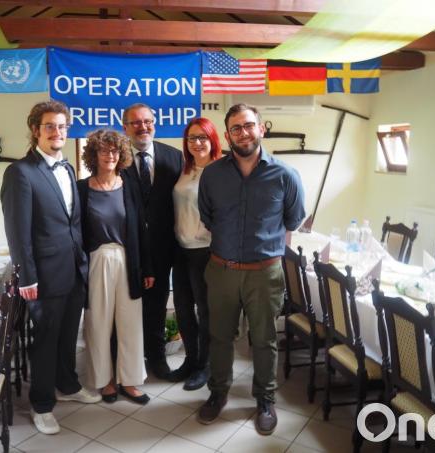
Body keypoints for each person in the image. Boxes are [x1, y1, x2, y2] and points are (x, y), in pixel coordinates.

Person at [196, 104, 306, 436]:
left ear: (261, 128)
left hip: (265, 273)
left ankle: (265, 401)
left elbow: (294, 219)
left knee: (264, 339)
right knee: (220, 338)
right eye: (235, 129)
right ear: (227, 135)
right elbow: (208, 217)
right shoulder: (213, 174)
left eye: (248, 126)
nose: (243, 133)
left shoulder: (286, 175)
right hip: (222, 271)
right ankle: (218, 393)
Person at [0, 100, 101, 435]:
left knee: (68, 335)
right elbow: (18, 230)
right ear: (35, 130)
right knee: (45, 340)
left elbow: (72, 223)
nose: (57, 132)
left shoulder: (68, 168)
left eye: (62, 126)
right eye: (49, 126)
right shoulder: (20, 172)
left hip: (73, 268)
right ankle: (42, 404)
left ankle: (67, 385)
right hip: (42, 275)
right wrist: (27, 276)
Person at [77, 129, 155, 405]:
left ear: (121, 154)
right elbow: (76, 234)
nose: (109, 155)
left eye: (114, 151)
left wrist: (147, 268)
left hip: (127, 260)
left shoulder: (130, 186)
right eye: (103, 150)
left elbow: (141, 230)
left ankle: (131, 381)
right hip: (97, 262)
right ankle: (105, 381)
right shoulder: (82, 189)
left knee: (130, 324)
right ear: (93, 155)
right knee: (97, 325)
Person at [121, 103, 184, 380]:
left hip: (163, 248)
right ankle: (127, 359)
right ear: (125, 127)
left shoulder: (175, 157)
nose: (142, 127)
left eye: (147, 121)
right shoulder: (117, 158)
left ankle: (156, 358)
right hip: (126, 248)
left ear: (154, 123)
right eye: (135, 122)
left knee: (157, 305)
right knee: (126, 305)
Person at [169, 117, 222, 390]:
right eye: (192, 138)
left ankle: (205, 366)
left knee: (205, 312)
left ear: (212, 139)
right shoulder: (184, 169)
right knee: (183, 310)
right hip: (181, 251)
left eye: (203, 137)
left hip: (206, 252)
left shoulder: (222, 170)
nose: (197, 142)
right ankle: (191, 360)